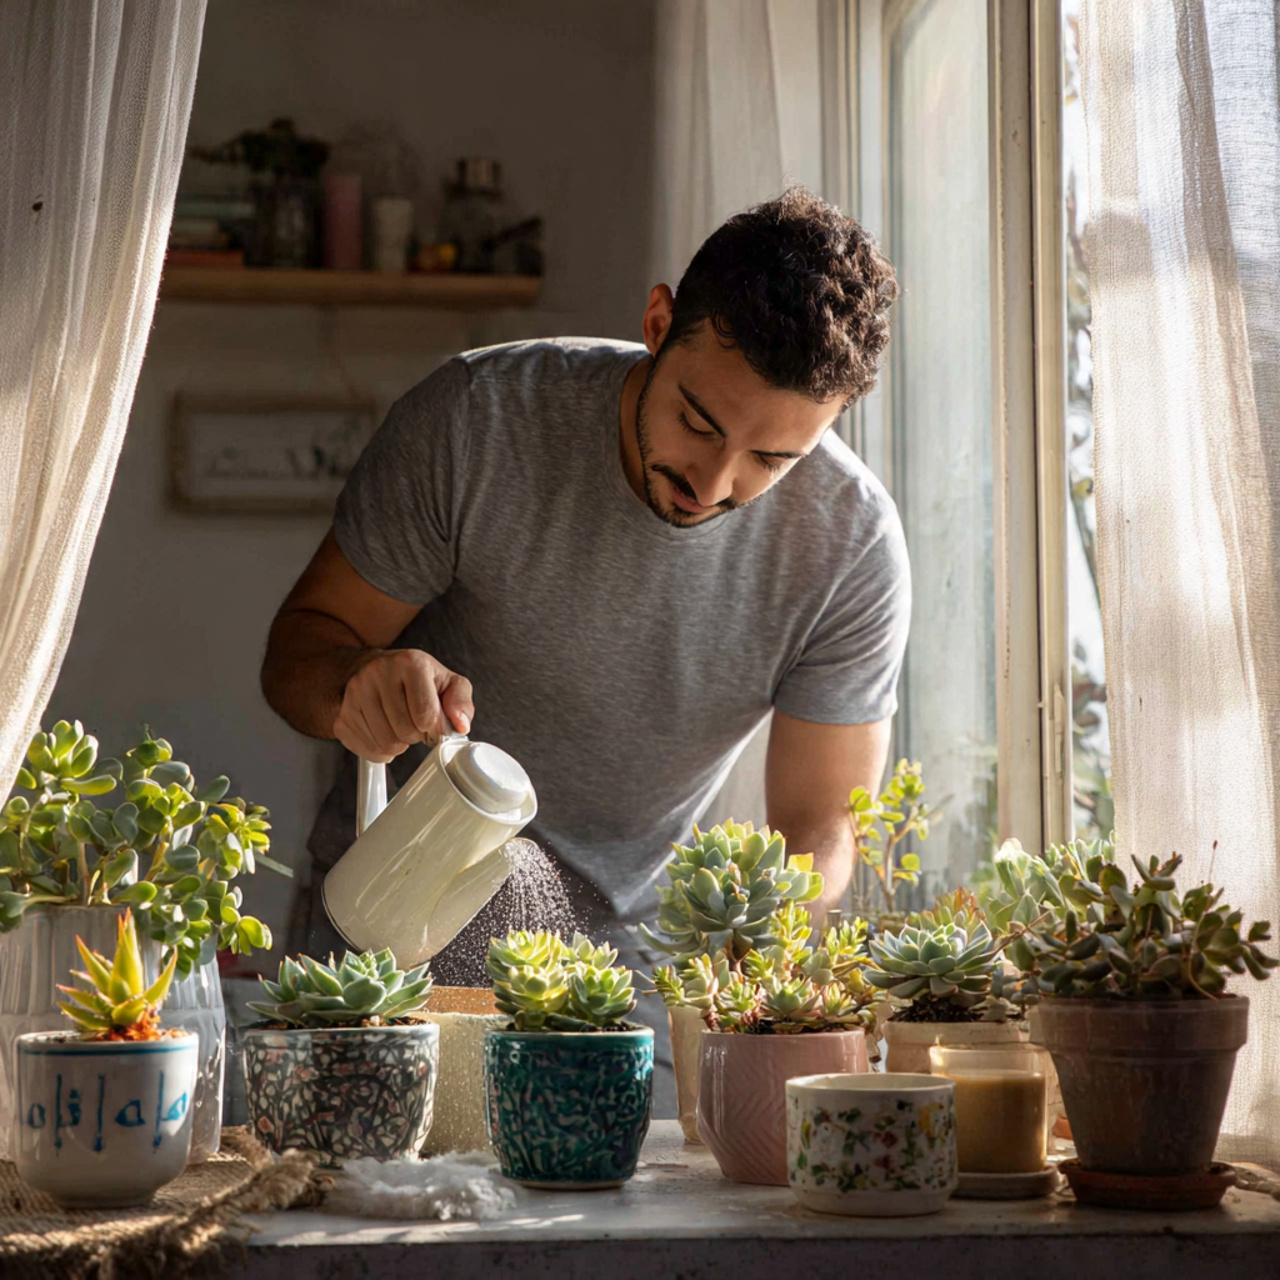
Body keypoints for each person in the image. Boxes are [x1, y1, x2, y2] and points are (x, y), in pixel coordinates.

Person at [260, 187, 909, 1115]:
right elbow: (299, 647)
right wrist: (355, 682)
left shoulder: (851, 547)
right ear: (656, 323)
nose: (715, 485)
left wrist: (761, 971)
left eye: (773, 460)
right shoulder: (478, 421)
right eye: (699, 422)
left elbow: (817, 824)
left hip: (626, 998)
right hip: (387, 949)